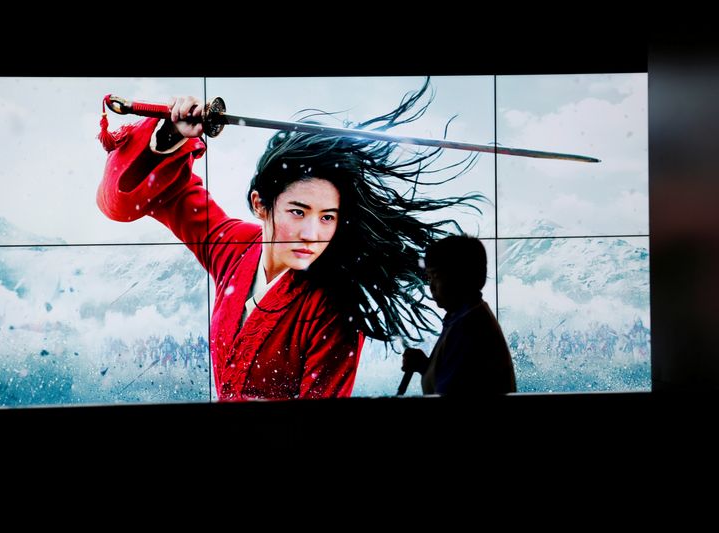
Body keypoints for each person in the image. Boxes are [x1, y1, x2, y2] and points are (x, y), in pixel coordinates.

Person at [97, 80, 483, 400]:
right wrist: (170, 134)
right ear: (261, 206)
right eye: (298, 212)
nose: (312, 235)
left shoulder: (333, 309)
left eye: (327, 217)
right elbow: (157, 196)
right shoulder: (233, 245)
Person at [402, 235, 517, 394]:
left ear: (461, 275)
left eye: (436, 276)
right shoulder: (465, 317)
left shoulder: (468, 328)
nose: (431, 287)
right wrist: (425, 367)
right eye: (429, 277)